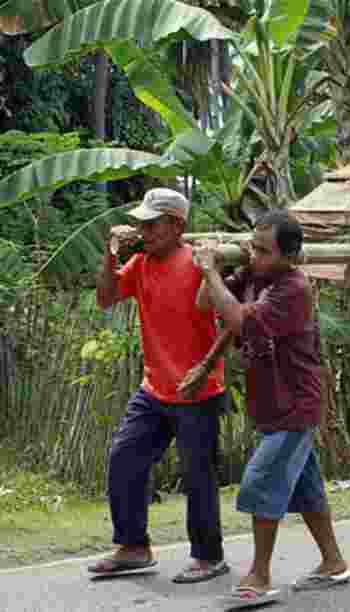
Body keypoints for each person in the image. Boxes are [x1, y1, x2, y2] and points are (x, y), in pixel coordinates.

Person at [193, 210, 350, 607]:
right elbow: (203, 302)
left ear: (290, 255)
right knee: (305, 487)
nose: (255, 254)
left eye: (264, 250)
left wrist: (212, 272)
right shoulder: (254, 275)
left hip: (295, 404)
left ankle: (259, 575)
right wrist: (217, 265)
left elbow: (240, 322)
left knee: (261, 482)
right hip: (273, 404)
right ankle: (333, 562)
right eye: (254, 246)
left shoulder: (293, 288)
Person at [88, 188, 229, 583]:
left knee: (198, 477)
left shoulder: (199, 264)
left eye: (153, 224)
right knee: (124, 458)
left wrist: (205, 367)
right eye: (142, 224)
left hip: (197, 390)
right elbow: (105, 298)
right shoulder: (141, 263)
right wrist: (111, 254)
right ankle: (133, 547)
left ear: (177, 226)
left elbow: (232, 322)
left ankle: (209, 556)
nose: (144, 231)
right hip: (154, 388)